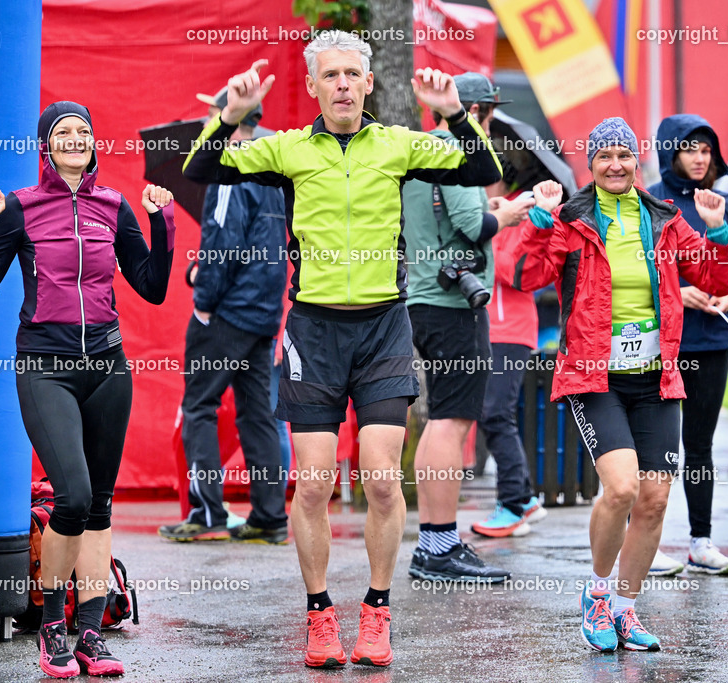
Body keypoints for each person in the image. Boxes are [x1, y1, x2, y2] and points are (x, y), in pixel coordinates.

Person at [182, 30, 501, 668]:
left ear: (369, 82)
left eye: (353, 74)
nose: (344, 85)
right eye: (331, 76)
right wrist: (228, 118)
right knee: (313, 486)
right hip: (314, 331)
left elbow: (480, 170)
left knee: (383, 480)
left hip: (383, 327)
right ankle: (321, 615)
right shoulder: (289, 150)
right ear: (313, 86)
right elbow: (200, 171)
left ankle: (377, 613)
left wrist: (455, 115)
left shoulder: (399, 144)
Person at [501, 118, 728, 652]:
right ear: (591, 164)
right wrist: (538, 223)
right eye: (603, 155)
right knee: (624, 487)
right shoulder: (573, 218)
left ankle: (627, 611)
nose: (614, 165)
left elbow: (717, 282)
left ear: (638, 162)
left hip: (656, 377)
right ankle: (599, 593)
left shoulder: (665, 217)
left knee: (654, 498)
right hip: (593, 375)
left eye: (623, 156)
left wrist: (718, 233)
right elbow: (525, 275)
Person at [0, 101, 175, 678]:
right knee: (73, 497)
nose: (76, 138)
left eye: (84, 131)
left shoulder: (114, 206)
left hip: (108, 366)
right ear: (45, 147)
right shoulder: (21, 208)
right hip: (44, 365)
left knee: (101, 507)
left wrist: (163, 223)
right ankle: (52, 624)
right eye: (63, 132)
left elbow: (153, 287)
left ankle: (89, 633)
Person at [403, 72, 534, 578]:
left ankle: (436, 541)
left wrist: (493, 206)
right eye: (490, 114)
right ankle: (438, 545)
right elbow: (472, 226)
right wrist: (514, 213)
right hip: (452, 302)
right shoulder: (458, 147)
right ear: (479, 111)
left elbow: (445, 215)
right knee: (451, 421)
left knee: (444, 418)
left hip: (424, 295)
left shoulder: (423, 149)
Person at [158, 87, 289, 543]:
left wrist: (204, 299)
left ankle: (207, 514)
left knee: (199, 408)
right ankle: (270, 517)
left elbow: (224, 244)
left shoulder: (229, 168)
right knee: (257, 415)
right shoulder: (272, 168)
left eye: (211, 112)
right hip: (263, 312)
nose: (206, 119)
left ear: (226, 116)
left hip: (228, 312)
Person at [647, 115, 728, 577]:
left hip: (712, 340)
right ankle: (645, 544)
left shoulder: (721, 203)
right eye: (690, 148)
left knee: (700, 445)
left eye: (707, 149)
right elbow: (635, 272)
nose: (699, 157)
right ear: (670, 151)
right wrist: (675, 291)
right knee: (655, 448)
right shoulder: (649, 201)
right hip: (662, 344)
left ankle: (700, 541)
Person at [471, 182, 550, 539]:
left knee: (495, 414)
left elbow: (511, 270)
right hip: (491, 330)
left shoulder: (522, 213)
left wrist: (495, 223)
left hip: (511, 331)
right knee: (495, 414)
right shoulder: (494, 210)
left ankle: (514, 505)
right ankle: (525, 498)